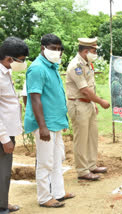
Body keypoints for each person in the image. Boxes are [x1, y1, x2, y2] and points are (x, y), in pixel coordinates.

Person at [24, 34, 75, 208]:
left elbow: (55, 96)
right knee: (45, 162)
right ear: (42, 48)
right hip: (44, 124)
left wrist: (63, 120)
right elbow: (35, 99)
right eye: (53, 48)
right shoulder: (37, 68)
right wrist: (42, 126)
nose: (57, 52)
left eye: (59, 49)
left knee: (56, 159)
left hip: (56, 122)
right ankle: (44, 197)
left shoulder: (52, 66)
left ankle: (58, 193)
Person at [66, 38, 110, 181]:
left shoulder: (87, 63)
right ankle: (82, 170)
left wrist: (94, 103)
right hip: (78, 104)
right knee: (81, 139)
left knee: (92, 136)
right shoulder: (76, 66)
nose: (95, 53)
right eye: (94, 51)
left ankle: (91, 165)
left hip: (88, 104)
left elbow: (90, 86)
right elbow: (84, 90)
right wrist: (101, 101)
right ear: (85, 51)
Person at [0, 36, 28, 214]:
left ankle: (3, 202)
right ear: (10, 59)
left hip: (7, 131)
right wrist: (4, 138)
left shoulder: (5, 72)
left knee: (4, 171)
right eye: (22, 60)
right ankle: (2, 206)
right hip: (3, 134)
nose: (23, 64)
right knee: (2, 172)